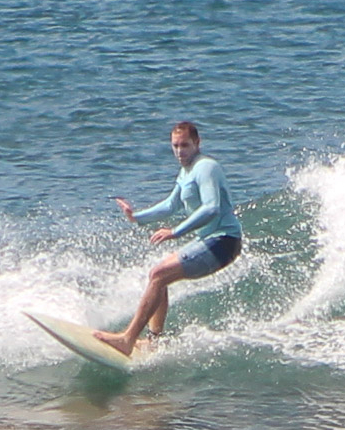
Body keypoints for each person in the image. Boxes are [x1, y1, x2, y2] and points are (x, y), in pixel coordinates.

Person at [94, 122, 243, 356]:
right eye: (175, 146)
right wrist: (136, 217)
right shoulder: (186, 171)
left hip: (224, 241)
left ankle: (127, 339)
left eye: (185, 145)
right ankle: (154, 341)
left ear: (197, 143)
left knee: (158, 275)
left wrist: (175, 232)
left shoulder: (206, 167)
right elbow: (170, 205)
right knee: (158, 276)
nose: (180, 151)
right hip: (210, 240)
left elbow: (212, 208)